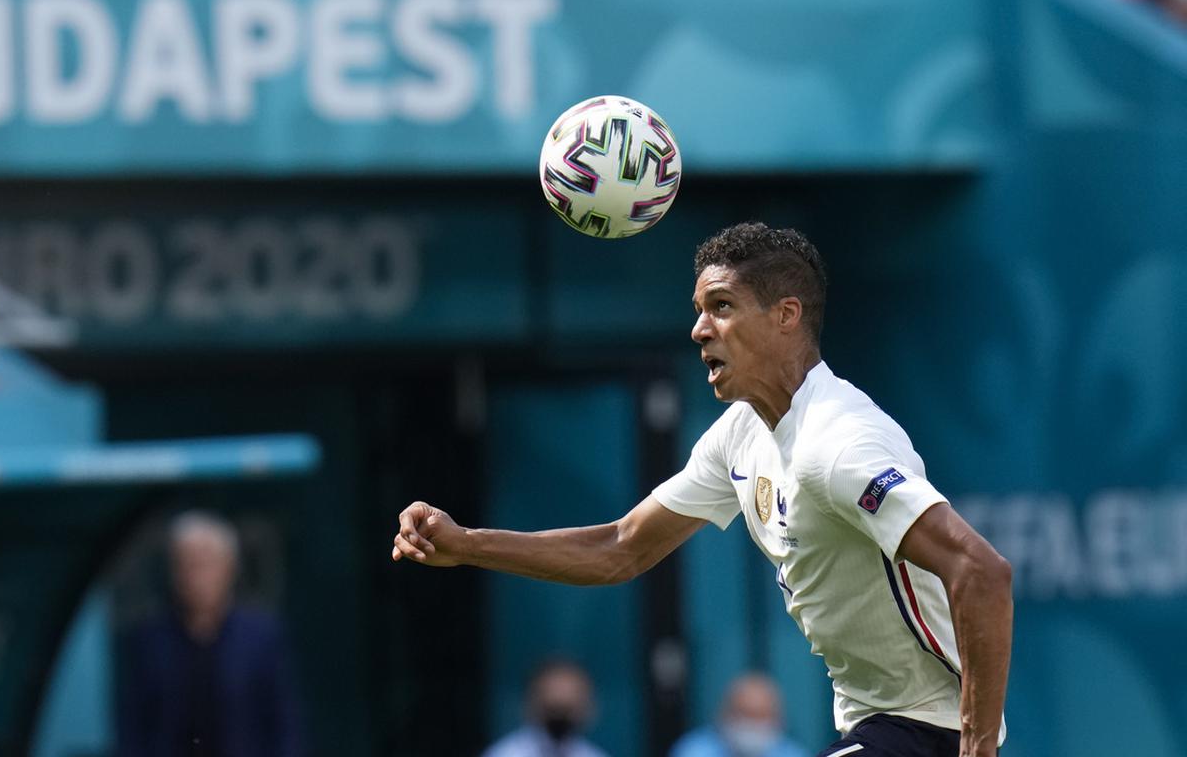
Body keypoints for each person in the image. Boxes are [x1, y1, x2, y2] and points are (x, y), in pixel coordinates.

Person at [392, 222, 1013, 757]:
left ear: (786, 316)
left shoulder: (840, 444)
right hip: (873, 726)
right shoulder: (741, 433)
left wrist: (977, 747)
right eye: (698, 309)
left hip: (927, 732)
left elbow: (981, 571)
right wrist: (468, 543)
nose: (698, 329)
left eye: (720, 306)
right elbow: (620, 547)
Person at [118, 510, 302, 757]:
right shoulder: (150, 641)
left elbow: (283, 724)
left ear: (229, 568)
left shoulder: (260, 638)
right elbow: (134, 729)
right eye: (187, 564)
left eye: (206, 563)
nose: (197, 576)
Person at [481, 658, 611, 757]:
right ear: (531, 704)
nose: (561, 717)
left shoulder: (593, 754)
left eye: (568, 709)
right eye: (553, 709)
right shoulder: (505, 754)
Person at [669, 673, 807, 757]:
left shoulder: (793, 754)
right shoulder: (694, 752)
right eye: (746, 714)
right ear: (725, 714)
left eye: (762, 716)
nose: (753, 726)